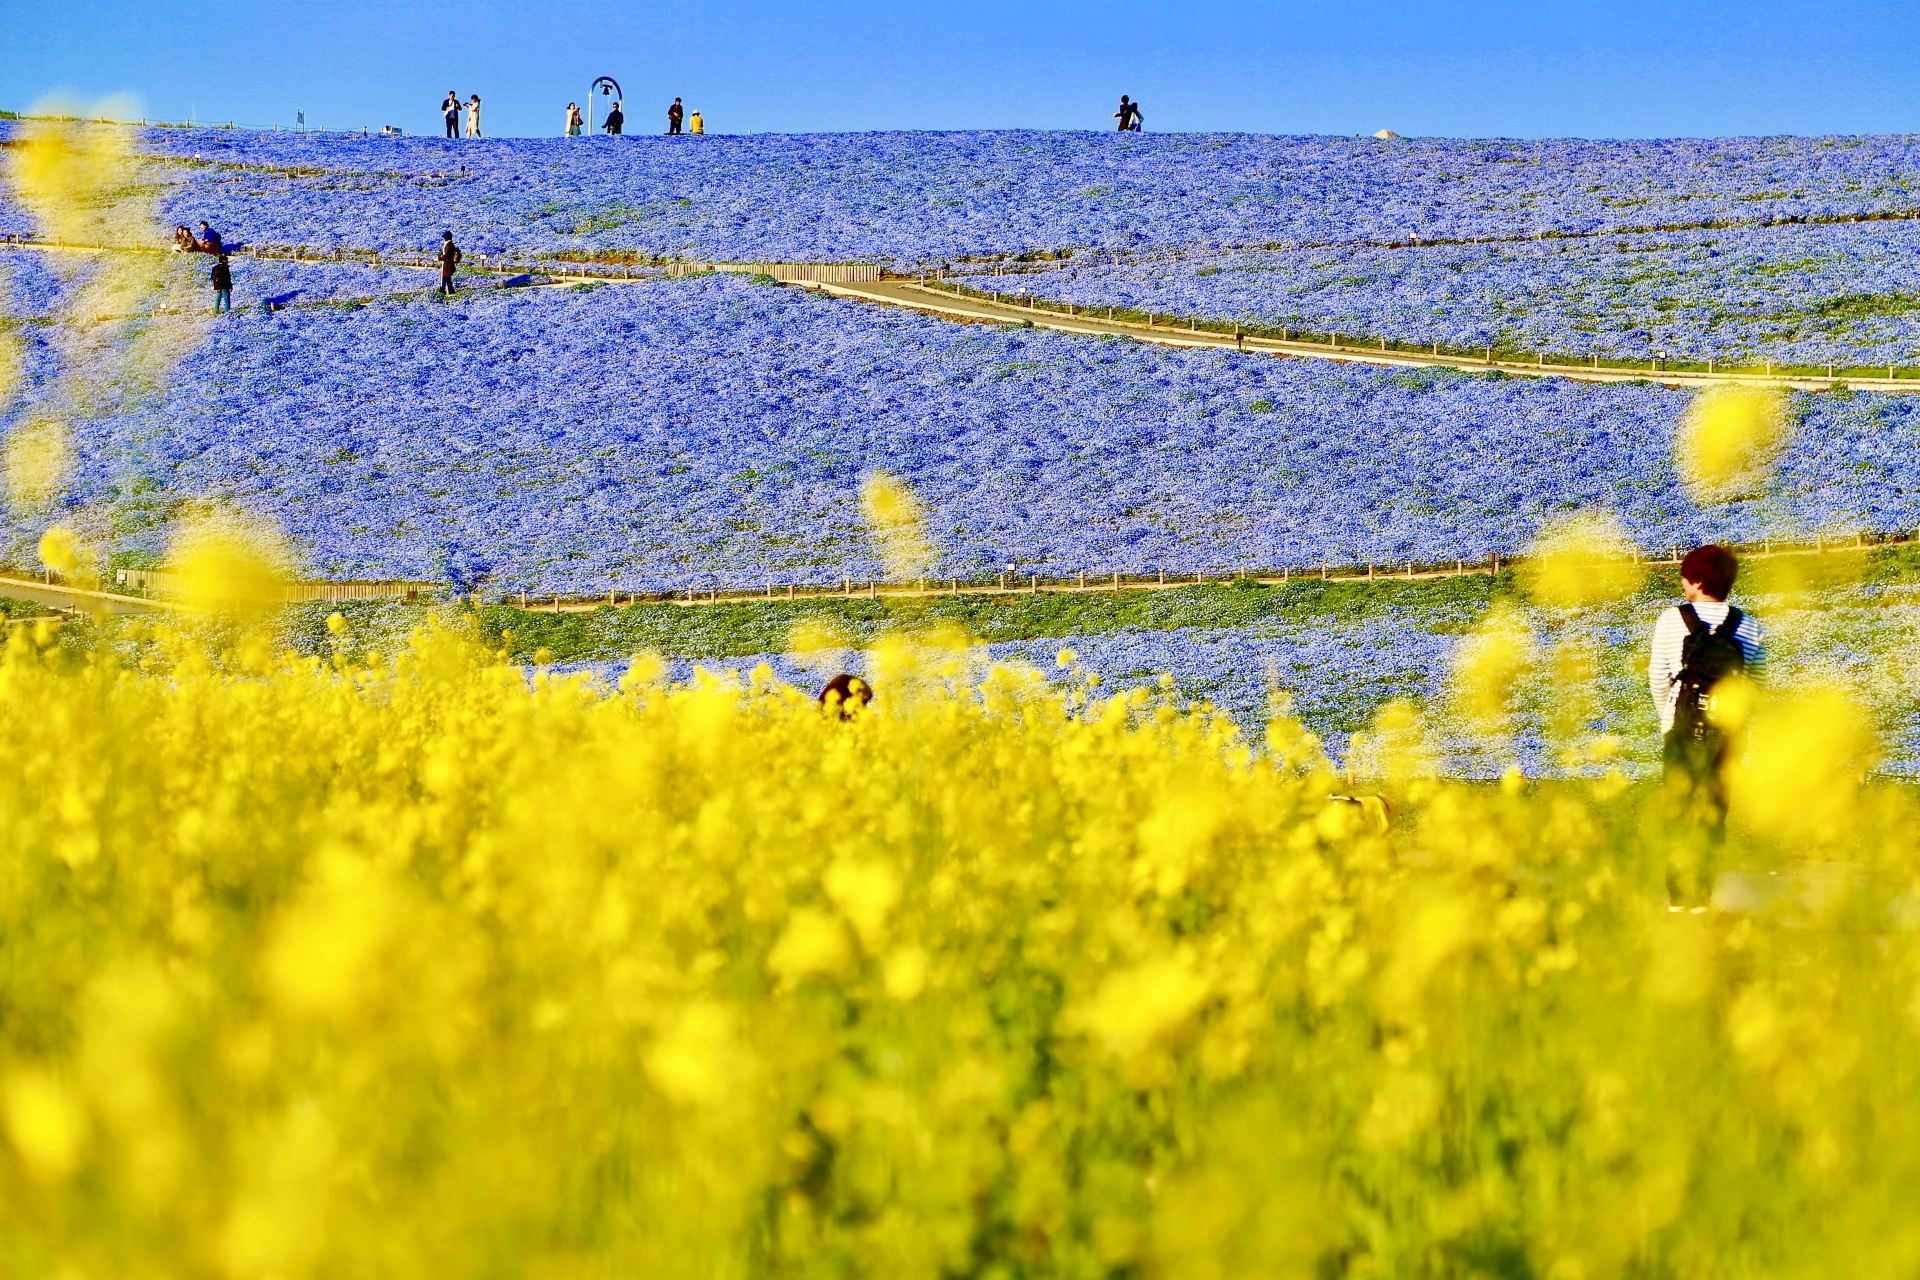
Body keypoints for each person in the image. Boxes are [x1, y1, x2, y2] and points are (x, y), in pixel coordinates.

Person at [1648, 543, 1763, 909]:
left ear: (1697, 581)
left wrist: (1668, 717)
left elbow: (1658, 678)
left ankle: (1678, 898)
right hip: (1724, 737)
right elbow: (1755, 687)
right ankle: (1702, 899)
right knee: (1713, 815)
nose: (1683, 584)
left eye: (1685, 578)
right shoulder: (1749, 626)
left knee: (1678, 811)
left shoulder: (1671, 620)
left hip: (1680, 733)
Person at [437, 230, 461, 296]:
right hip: (447, 264)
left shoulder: (449, 244)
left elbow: (447, 255)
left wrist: (440, 256)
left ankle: (443, 291)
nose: (444, 238)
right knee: (447, 278)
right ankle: (449, 291)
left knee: (445, 277)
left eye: (445, 237)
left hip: (447, 264)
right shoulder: (448, 244)